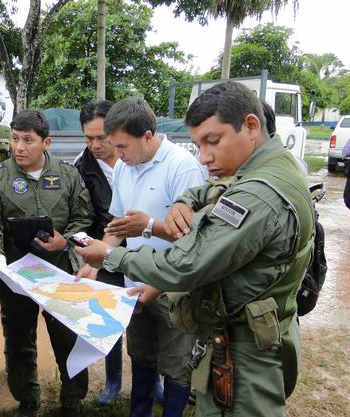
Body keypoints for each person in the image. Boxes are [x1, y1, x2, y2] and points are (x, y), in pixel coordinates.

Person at [75, 81, 315, 417]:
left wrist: (111, 256)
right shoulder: (263, 168)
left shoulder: (258, 195)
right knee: (148, 357)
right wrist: (186, 200)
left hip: (247, 346)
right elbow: (212, 188)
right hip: (234, 330)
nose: (204, 158)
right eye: (199, 145)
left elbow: (186, 264)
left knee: (186, 373)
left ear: (250, 125)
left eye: (213, 142)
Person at [75, 98, 206, 417]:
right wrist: (98, 262)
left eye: (122, 146)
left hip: (174, 287)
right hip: (134, 284)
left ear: (147, 136)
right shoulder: (123, 166)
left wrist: (147, 228)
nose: (116, 155)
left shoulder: (182, 167)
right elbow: (118, 225)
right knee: (142, 354)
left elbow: (194, 238)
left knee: (176, 364)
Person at [0, 109, 94, 417]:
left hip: (60, 272)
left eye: (28, 140)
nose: (19, 147)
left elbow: (84, 219)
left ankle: (72, 401)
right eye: (15, 139)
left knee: (67, 337)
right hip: (15, 274)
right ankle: (27, 400)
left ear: (46, 143)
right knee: (18, 339)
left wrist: (65, 241)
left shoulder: (68, 176)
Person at [74, 99, 166, 407]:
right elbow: (86, 219)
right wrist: (92, 259)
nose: (96, 145)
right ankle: (113, 381)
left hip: (143, 255)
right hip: (106, 251)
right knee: (110, 320)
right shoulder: (81, 168)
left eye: (102, 137)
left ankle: (154, 381)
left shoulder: (142, 161)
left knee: (149, 322)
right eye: (89, 138)